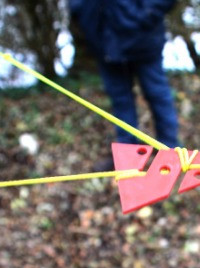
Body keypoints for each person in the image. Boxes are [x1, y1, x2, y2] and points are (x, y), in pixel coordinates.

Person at [70, 0, 181, 171]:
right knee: (120, 100)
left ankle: (170, 152)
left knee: (156, 94)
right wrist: (81, 14)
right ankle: (128, 158)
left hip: (143, 38)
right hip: (104, 40)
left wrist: (146, 14)